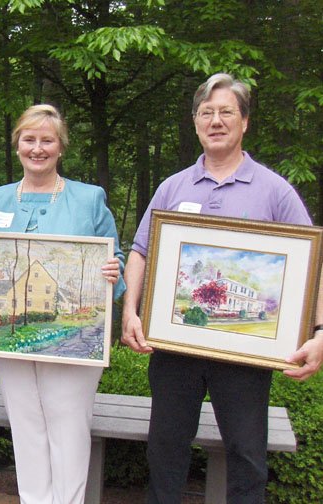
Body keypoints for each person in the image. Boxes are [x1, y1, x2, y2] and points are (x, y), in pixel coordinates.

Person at [121, 73, 323, 503]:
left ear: (245, 121)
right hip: (175, 350)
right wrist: (130, 311)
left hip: (244, 358)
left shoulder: (275, 191)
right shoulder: (172, 187)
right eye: (206, 112)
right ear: (195, 122)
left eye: (226, 111)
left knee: (247, 454)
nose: (216, 120)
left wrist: (321, 333)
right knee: (165, 449)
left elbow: (312, 266)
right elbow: (140, 251)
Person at [0, 104, 125, 503]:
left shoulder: (89, 198)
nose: (37, 148)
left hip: (73, 349)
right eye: (29, 139)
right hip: (11, 341)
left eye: (47, 140)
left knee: (69, 426)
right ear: (17, 143)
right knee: (25, 426)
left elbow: (116, 258)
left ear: (60, 147)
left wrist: (112, 273)